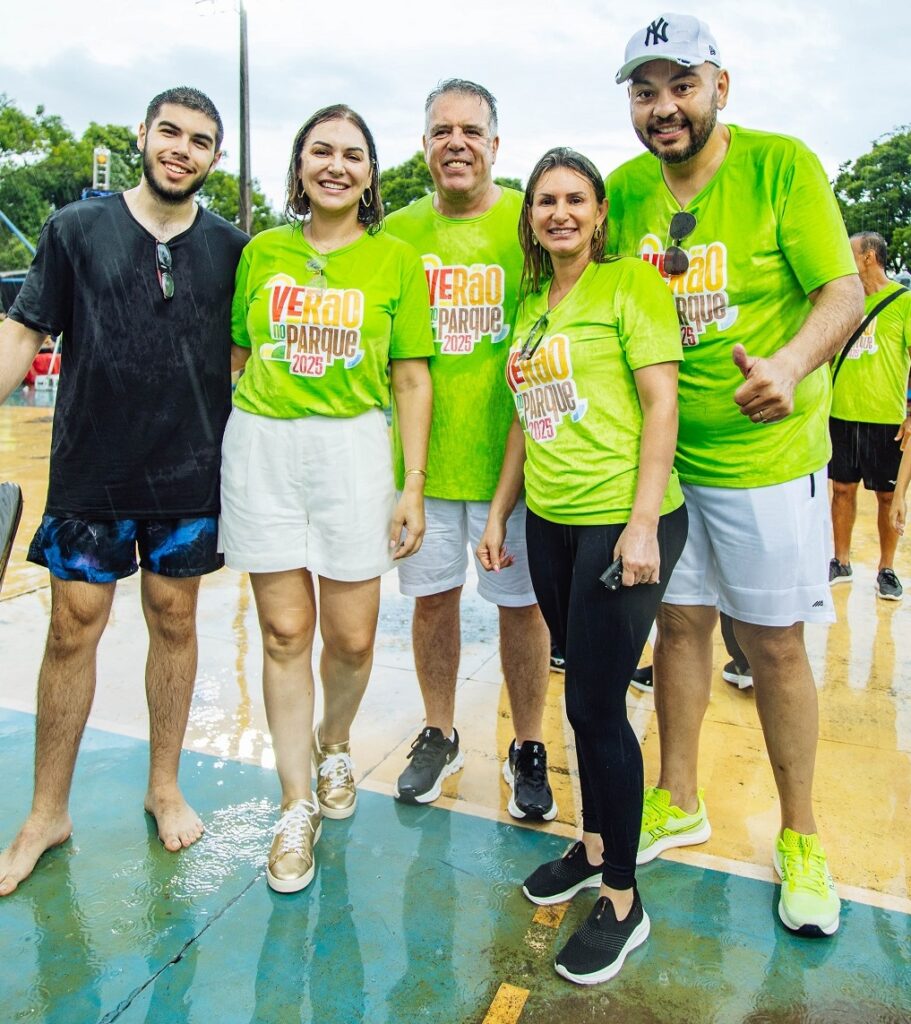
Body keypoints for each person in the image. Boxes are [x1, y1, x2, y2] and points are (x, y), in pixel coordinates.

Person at [608, 13, 863, 936]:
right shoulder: (627, 190)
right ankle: (678, 797)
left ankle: (801, 836)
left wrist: (791, 367)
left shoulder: (780, 165)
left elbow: (842, 288)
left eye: (680, 86)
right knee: (677, 630)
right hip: (666, 466)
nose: (663, 107)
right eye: (644, 91)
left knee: (774, 646)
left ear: (721, 85)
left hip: (765, 461)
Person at [0, 87, 248, 896]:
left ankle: (163, 784)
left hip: (187, 475)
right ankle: (47, 812)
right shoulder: (74, 229)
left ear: (216, 156)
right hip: (90, 471)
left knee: (174, 620)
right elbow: (25, 330)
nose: (181, 148)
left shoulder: (233, 248)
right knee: (73, 629)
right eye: (169, 132)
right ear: (143, 136)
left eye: (200, 140)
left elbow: (251, 366)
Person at [478, 148, 687, 985]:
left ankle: (624, 901)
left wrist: (641, 526)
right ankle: (596, 842)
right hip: (551, 522)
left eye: (574, 199)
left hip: (620, 522)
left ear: (599, 212)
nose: (557, 212)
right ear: (530, 216)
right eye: (543, 201)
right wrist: (500, 510)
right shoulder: (532, 303)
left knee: (597, 704)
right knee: (579, 690)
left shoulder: (630, 287)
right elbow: (527, 420)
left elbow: (660, 402)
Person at [221, 104, 433, 893]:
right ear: (299, 165)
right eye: (320, 151)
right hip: (265, 448)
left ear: (371, 173)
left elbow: (411, 376)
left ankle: (333, 740)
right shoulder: (262, 253)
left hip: (353, 451)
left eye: (351, 154)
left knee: (348, 638)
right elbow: (239, 355)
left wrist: (410, 484)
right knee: (283, 632)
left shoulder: (395, 262)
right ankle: (292, 804)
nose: (335, 165)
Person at [384, 80, 555, 820]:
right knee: (431, 601)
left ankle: (528, 743)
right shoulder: (395, 233)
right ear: (424, 144)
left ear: (494, 143)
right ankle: (439, 727)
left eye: (471, 131)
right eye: (440, 130)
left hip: (513, 466)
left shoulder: (532, 221)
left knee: (522, 608)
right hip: (420, 467)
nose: (456, 142)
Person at [829, 232, 910, 600]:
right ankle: (841, 561)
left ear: (869, 257)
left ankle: (886, 568)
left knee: (885, 496)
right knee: (842, 490)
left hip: (884, 417)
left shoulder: (904, 302)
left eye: (851, 252)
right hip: (841, 413)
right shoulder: (844, 302)